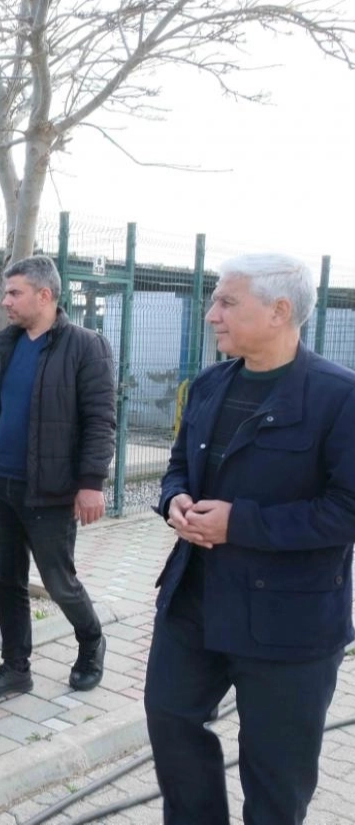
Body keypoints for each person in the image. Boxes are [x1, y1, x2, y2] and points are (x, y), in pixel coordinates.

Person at [146, 254, 355, 825]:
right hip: (195, 600)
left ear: (279, 311)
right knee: (170, 720)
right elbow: (177, 468)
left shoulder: (340, 398)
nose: (211, 314)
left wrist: (240, 523)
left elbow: (346, 511)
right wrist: (174, 500)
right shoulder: (209, 384)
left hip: (289, 620)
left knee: (275, 773)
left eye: (227, 302)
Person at [0, 255, 114, 700]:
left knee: (57, 581)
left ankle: (91, 641)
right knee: (7, 580)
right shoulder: (6, 345)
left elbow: (100, 420)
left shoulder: (85, 346)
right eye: (5, 293)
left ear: (44, 295)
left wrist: (91, 483)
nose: (5, 302)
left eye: (15, 293)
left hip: (51, 490)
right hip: (1, 485)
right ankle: (15, 668)